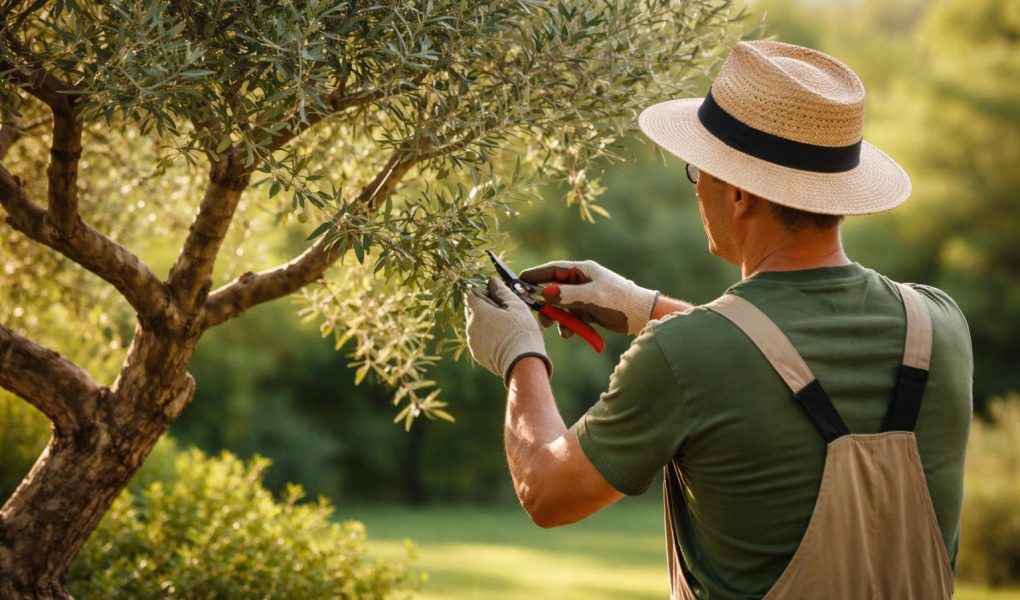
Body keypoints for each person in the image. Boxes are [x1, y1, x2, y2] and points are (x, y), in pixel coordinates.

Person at [463, 40, 972, 599]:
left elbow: (547, 491)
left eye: (696, 169)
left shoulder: (683, 355)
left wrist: (518, 354)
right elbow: (776, 366)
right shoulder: (940, 326)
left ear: (737, 196)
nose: (695, 187)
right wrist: (643, 307)